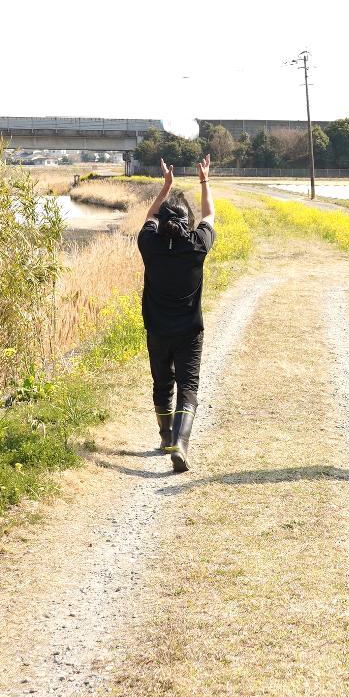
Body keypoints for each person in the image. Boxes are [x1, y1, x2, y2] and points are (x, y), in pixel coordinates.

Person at [139, 155, 215, 473]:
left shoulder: (149, 245)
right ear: (188, 223)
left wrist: (166, 185)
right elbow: (210, 214)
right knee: (188, 387)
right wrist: (204, 180)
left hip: (157, 329)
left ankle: (166, 438)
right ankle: (180, 444)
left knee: (162, 384)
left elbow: (150, 214)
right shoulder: (197, 247)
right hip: (189, 331)